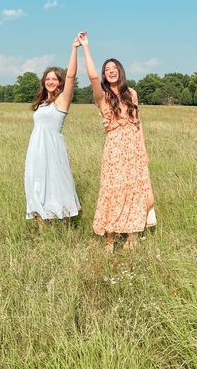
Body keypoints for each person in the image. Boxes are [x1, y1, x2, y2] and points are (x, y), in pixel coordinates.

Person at [78, 31, 155, 251]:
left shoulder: (132, 93)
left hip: (134, 148)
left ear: (120, 71)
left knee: (135, 190)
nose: (110, 72)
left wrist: (144, 151)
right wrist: (86, 47)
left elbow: (138, 123)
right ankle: (109, 240)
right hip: (114, 149)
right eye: (106, 70)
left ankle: (132, 237)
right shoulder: (101, 95)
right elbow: (92, 76)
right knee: (112, 190)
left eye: (114, 69)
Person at [24, 37, 81, 227]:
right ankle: (42, 227)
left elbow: (71, 75)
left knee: (57, 184)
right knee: (36, 184)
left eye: (54, 79)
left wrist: (74, 48)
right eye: (47, 79)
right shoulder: (41, 103)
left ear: (59, 82)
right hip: (36, 149)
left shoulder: (62, 100)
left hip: (53, 148)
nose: (50, 81)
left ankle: (65, 224)